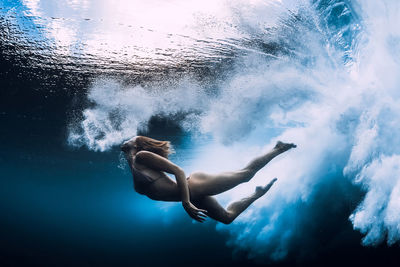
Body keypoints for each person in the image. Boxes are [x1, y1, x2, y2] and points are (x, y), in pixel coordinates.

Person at [121, 136, 296, 224]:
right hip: (194, 195)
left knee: (245, 175)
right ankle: (256, 195)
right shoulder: (134, 163)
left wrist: (186, 203)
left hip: (195, 187)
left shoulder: (142, 157)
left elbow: (178, 171)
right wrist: (127, 149)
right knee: (227, 218)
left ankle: (278, 148)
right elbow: (129, 153)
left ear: (136, 146)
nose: (125, 143)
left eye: (129, 141)